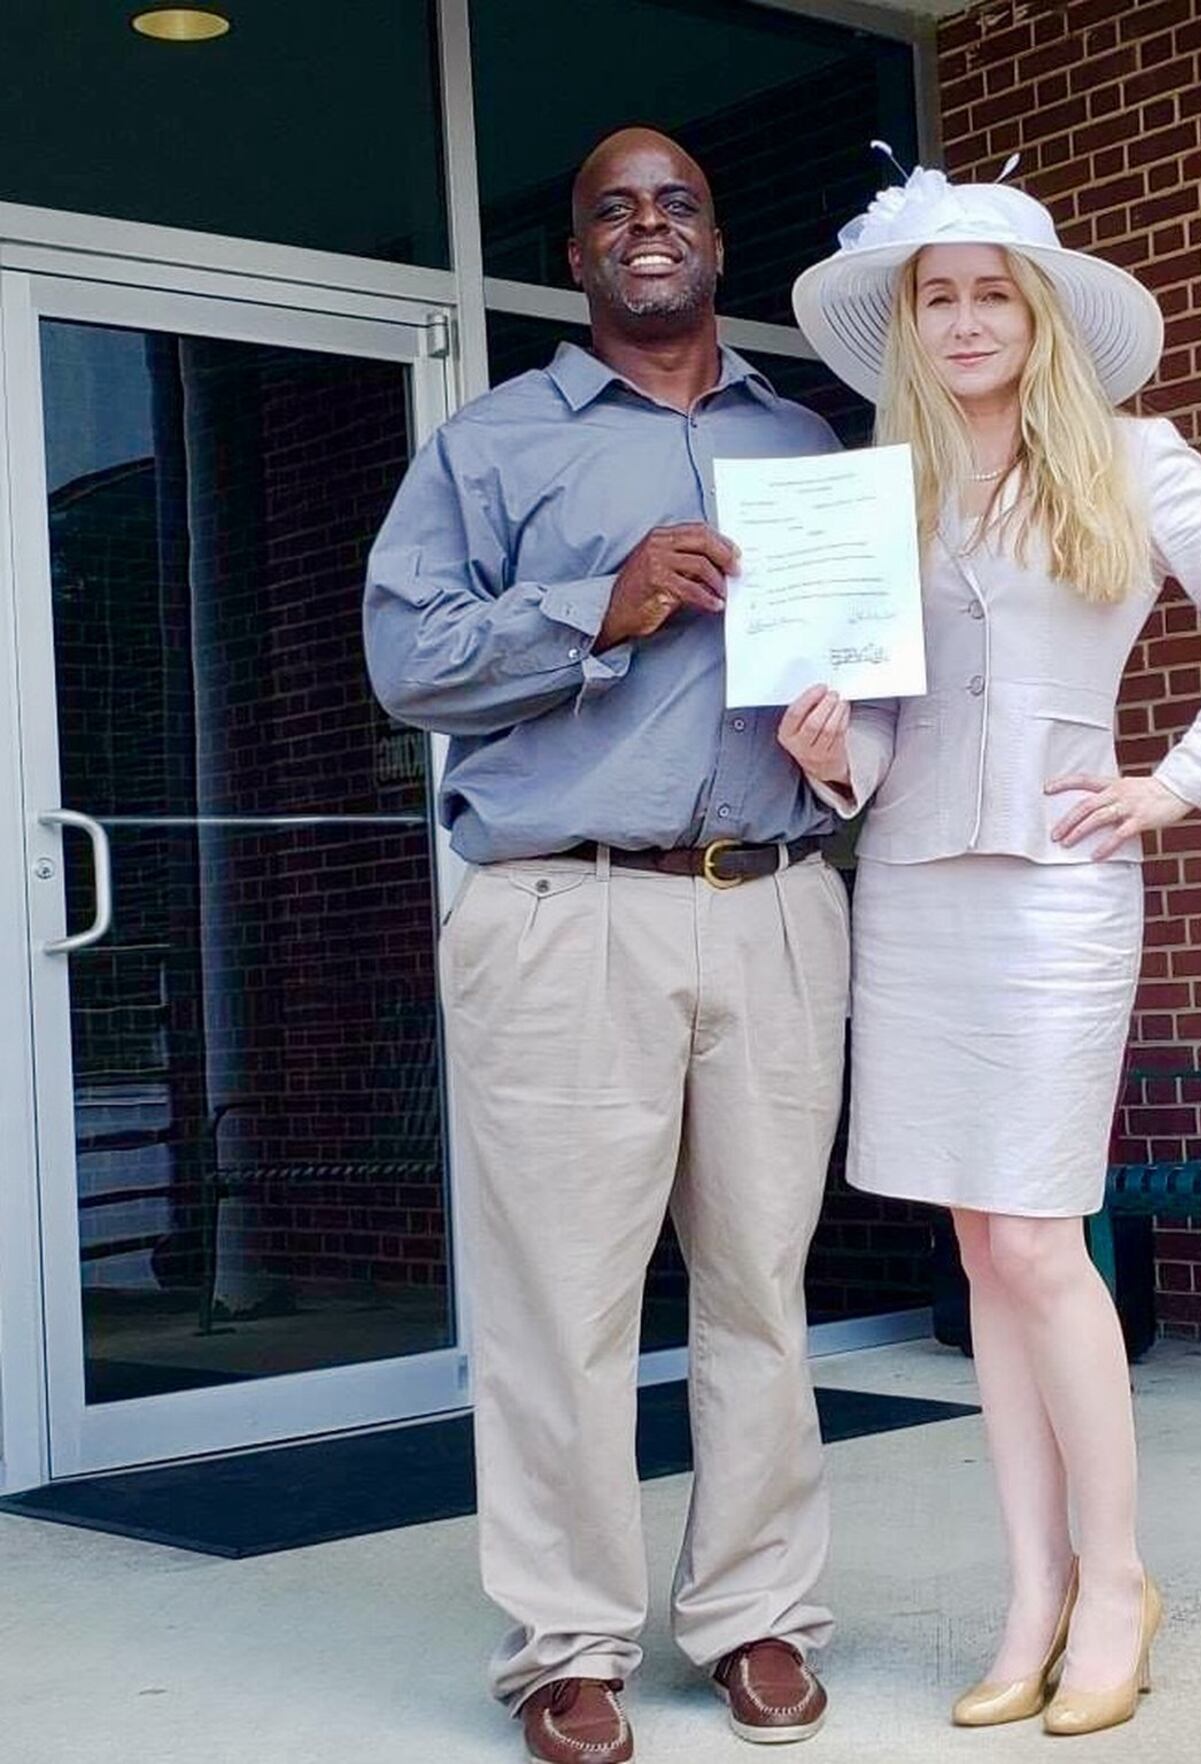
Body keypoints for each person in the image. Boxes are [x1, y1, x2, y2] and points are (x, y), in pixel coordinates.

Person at [785, 167, 1201, 1736]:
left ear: (1036, 314)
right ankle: (1027, 1588)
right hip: (911, 886)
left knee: (1040, 1241)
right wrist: (832, 753)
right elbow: (881, 725)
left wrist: (1175, 784)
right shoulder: (875, 484)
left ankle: (1116, 1576)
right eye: (937, 295)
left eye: (991, 292)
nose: (964, 320)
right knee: (977, 1252)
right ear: (909, 323)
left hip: (1057, 885)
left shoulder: (1138, 459)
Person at [365, 128, 850, 1764]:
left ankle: (757, 1616)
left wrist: (865, 727)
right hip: (567, 906)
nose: (649, 229)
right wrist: (600, 600)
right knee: (562, 1305)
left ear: (720, 241)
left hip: (779, 901)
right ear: (575, 260)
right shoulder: (490, 447)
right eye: (613, 212)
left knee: (761, 1289)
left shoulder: (810, 445)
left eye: (679, 205)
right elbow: (405, 661)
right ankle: (568, 1642)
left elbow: (877, 675)